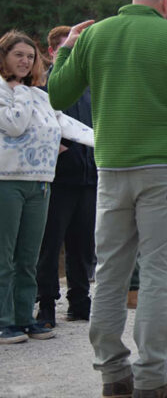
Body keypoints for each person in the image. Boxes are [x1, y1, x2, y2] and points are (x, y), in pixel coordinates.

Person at [49, 0, 167, 398]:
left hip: (112, 169)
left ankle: (113, 375)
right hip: (166, 170)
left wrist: (64, 52)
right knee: (157, 271)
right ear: (166, 2)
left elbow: (57, 95)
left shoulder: (96, 36)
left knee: (111, 271)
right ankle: (151, 378)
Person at [0, 30, 94, 345]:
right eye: (18, 55)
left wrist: (106, 141)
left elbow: (66, 125)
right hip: (7, 181)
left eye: (30, 56)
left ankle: (26, 317)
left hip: (40, 182)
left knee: (28, 256)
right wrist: (23, 92)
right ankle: (4, 321)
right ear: (4, 57)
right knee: (6, 256)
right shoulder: (6, 91)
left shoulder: (41, 95)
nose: (25, 61)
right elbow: (14, 123)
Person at [35, 26, 97, 328]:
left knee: (83, 244)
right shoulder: (41, 87)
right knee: (49, 245)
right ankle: (45, 304)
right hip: (55, 179)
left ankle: (80, 302)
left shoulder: (90, 90)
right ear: (51, 53)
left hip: (88, 177)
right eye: (65, 51)